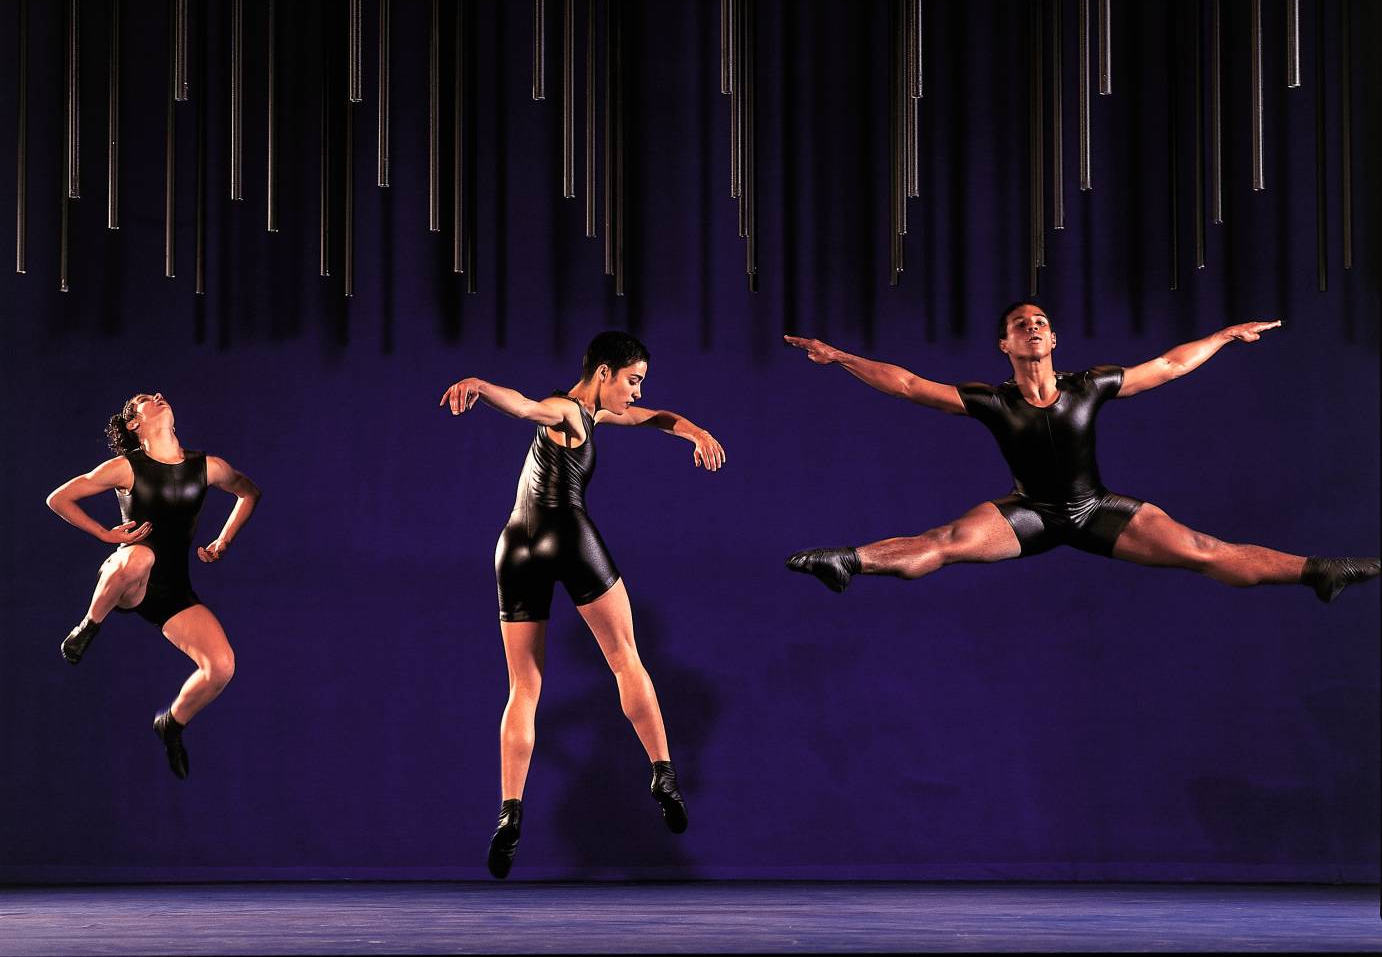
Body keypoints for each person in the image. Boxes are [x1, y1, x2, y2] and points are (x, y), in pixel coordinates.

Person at [783, 302, 1379, 602]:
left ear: (1054, 339)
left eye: (1041, 321)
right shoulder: (990, 399)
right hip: (1029, 512)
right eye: (1021, 323)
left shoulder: (1086, 386)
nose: (1034, 326)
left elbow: (1169, 365)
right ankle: (849, 560)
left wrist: (1223, 337)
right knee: (944, 544)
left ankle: (1319, 571)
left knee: (1203, 550)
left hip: (1095, 508)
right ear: (1006, 343)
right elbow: (908, 384)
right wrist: (841, 359)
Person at [440, 331, 726, 880]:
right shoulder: (568, 411)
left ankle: (509, 812)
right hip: (565, 532)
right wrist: (479, 385)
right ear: (603, 373)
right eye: (633, 381)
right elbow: (527, 406)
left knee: (523, 687)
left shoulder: (590, 416)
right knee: (625, 658)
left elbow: (652, 418)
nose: (637, 393)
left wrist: (695, 431)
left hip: (513, 545)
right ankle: (663, 772)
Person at [46, 393, 261, 780]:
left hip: (172, 592)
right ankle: (88, 626)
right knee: (143, 556)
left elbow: (248, 492)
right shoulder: (126, 468)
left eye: (160, 395)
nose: (159, 397)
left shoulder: (207, 467)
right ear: (134, 424)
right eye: (146, 399)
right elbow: (59, 498)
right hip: (129, 576)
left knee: (221, 667)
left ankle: (172, 724)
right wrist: (103, 534)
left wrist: (224, 540)